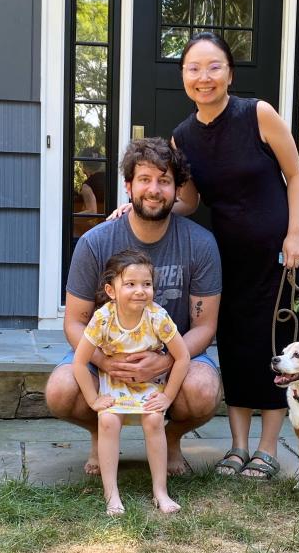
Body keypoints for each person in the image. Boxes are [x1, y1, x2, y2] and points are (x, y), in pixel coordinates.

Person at [170, 31, 299, 481]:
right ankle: (237, 447)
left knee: (277, 345)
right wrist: (143, 203)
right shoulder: (182, 138)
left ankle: (268, 448)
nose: (204, 77)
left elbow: (295, 176)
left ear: (229, 73)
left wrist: (294, 234)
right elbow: (190, 202)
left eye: (214, 66)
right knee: (235, 346)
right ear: (184, 77)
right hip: (227, 257)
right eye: (194, 69)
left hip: (281, 255)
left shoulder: (259, 115)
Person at [45, 136, 222, 476]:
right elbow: (74, 323)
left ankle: (170, 439)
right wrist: (104, 361)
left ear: (177, 189)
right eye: (144, 179)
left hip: (172, 352)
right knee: (60, 389)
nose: (153, 190)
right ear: (128, 186)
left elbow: (205, 326)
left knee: (203, 389)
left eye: (164, 180)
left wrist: (164, 360)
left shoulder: (199, 244)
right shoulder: (96, 242)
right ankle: (101, 431)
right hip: (106, 351)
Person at [72, 248, 191, 516]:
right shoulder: (103, 318)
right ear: (111, 291)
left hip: (148, 382)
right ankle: (111, 494)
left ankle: (160, 491)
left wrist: (168, 397)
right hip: (114, 381)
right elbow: (79, 363)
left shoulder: (157, 317)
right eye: (131, 284)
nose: (140, 291)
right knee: (108, 420)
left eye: (146, 284)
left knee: (153, 419)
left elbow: (182, 357)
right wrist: (93, 399)